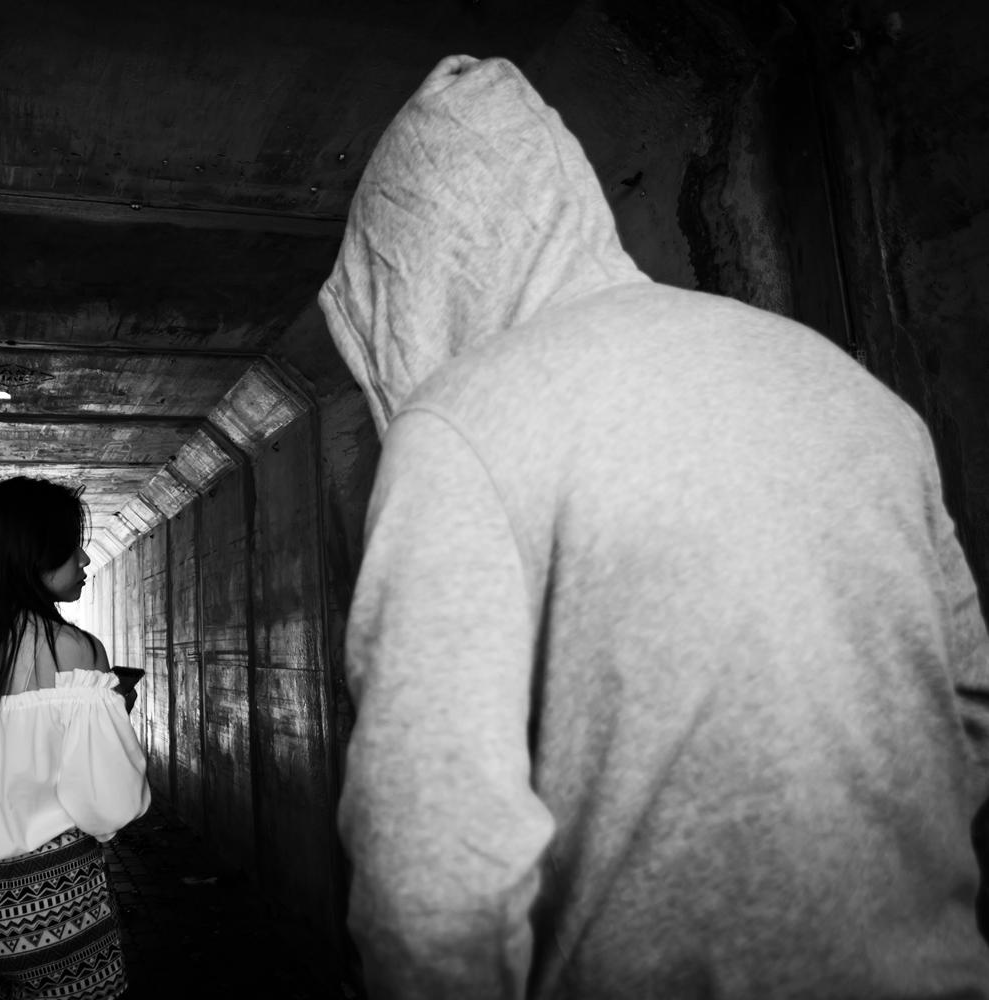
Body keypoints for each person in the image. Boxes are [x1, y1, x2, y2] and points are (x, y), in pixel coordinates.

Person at [318, 54, 989, 999]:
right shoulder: (849, 390)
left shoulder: (461, 429)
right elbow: (967, 705)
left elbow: (434, 883)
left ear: (415, 264)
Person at [0, 476, 150, 1000]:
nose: (84, 560)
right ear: (32, 555)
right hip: (52, 893)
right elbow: (108, 802)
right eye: (71, 546)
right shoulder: (76, 653)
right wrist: (114, 723)